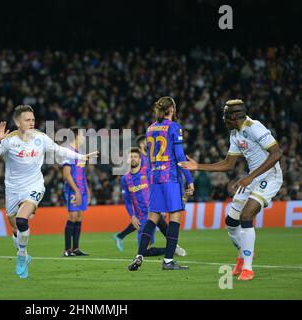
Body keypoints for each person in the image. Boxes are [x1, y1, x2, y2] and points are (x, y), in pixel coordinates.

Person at [0, 105, 98, 278]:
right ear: (17, 122)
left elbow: (59, 150)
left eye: (33, 119)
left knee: (21, 220)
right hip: (12, 189)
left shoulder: (41, 138)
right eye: (27, 120)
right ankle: (25, 255)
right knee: (15, 229)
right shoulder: (9, 141)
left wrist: (81, 157)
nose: (32, 122)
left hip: (34, 186)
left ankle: (20, 256)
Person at [179, 99, 283, 280]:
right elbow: (228, 164)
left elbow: (276, 153)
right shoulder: (235, 134)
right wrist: (198, 166)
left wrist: (250, 177)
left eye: (225, 114)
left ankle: (248, 268)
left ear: (234, 116)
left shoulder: (254, 127)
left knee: (246, 216)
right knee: (231, 222)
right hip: (251, 177)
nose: (223, 118)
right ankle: (243, 256)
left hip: (270, 177)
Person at [128, 96, 194, 271]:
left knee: (152, 218)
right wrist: (189, 179)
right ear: (171, 109)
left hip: (155, 177)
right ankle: (168, 261)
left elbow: (149, 157)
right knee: (175, 217)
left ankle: (139, 255)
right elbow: (180, 157)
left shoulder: (150, 129)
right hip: (170, 178)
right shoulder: (174, 127)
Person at [118, 148, 187, 256]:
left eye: (135, 156)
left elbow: (159, 186)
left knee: (164, 227)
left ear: (140, 159)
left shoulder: (147, 171)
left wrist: (163, 206)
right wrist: (132, 216)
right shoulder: (125, 179)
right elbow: (127, 199)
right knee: (145, 250)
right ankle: (171, 249)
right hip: (141, 217)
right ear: (126, 160)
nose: (133, 159)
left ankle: (173, 247)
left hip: (154, 209)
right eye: (130, 157)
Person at [62, 127, 91, 257]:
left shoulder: (80, 153)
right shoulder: (68, 152)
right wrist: (77, 191)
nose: (84, 138)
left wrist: (87, 190)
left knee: (79, 217)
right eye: (82, 135)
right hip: (73, 190)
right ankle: (67, 249)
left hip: (82, 189)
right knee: (72, 217)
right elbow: (66, 175)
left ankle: (76, 248)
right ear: (76, 136)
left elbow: (82, 174)